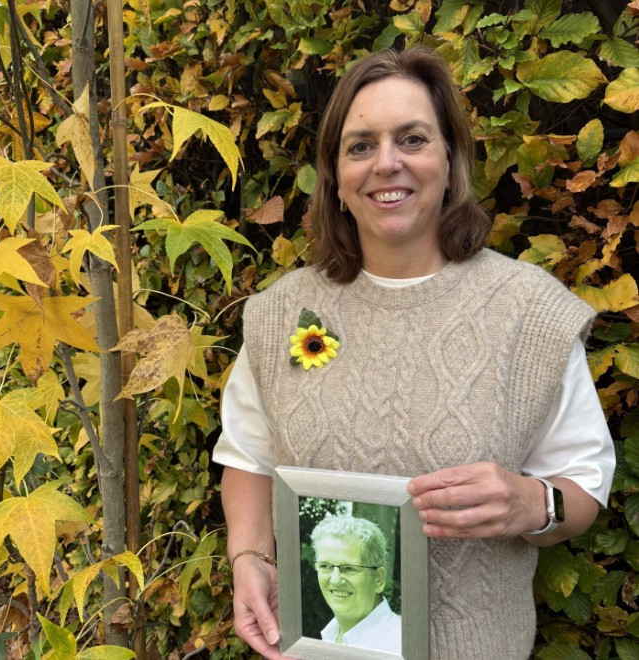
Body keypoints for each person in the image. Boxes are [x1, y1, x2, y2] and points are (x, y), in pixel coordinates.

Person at [214, 46, 615, 659]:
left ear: (450, 162)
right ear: (335, 178)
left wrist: (532, 503)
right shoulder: (280, 316)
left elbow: (583, 483)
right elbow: (248, 456)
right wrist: (249, 557)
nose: (387, 163)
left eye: (413, 139)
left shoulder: (530, 315)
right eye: (360, 146)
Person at [310, 516, 402, 653]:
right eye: (325, 566)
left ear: (378, 578)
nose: (335, 580)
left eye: (349, 568)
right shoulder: (329, 636)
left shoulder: (402, 644)